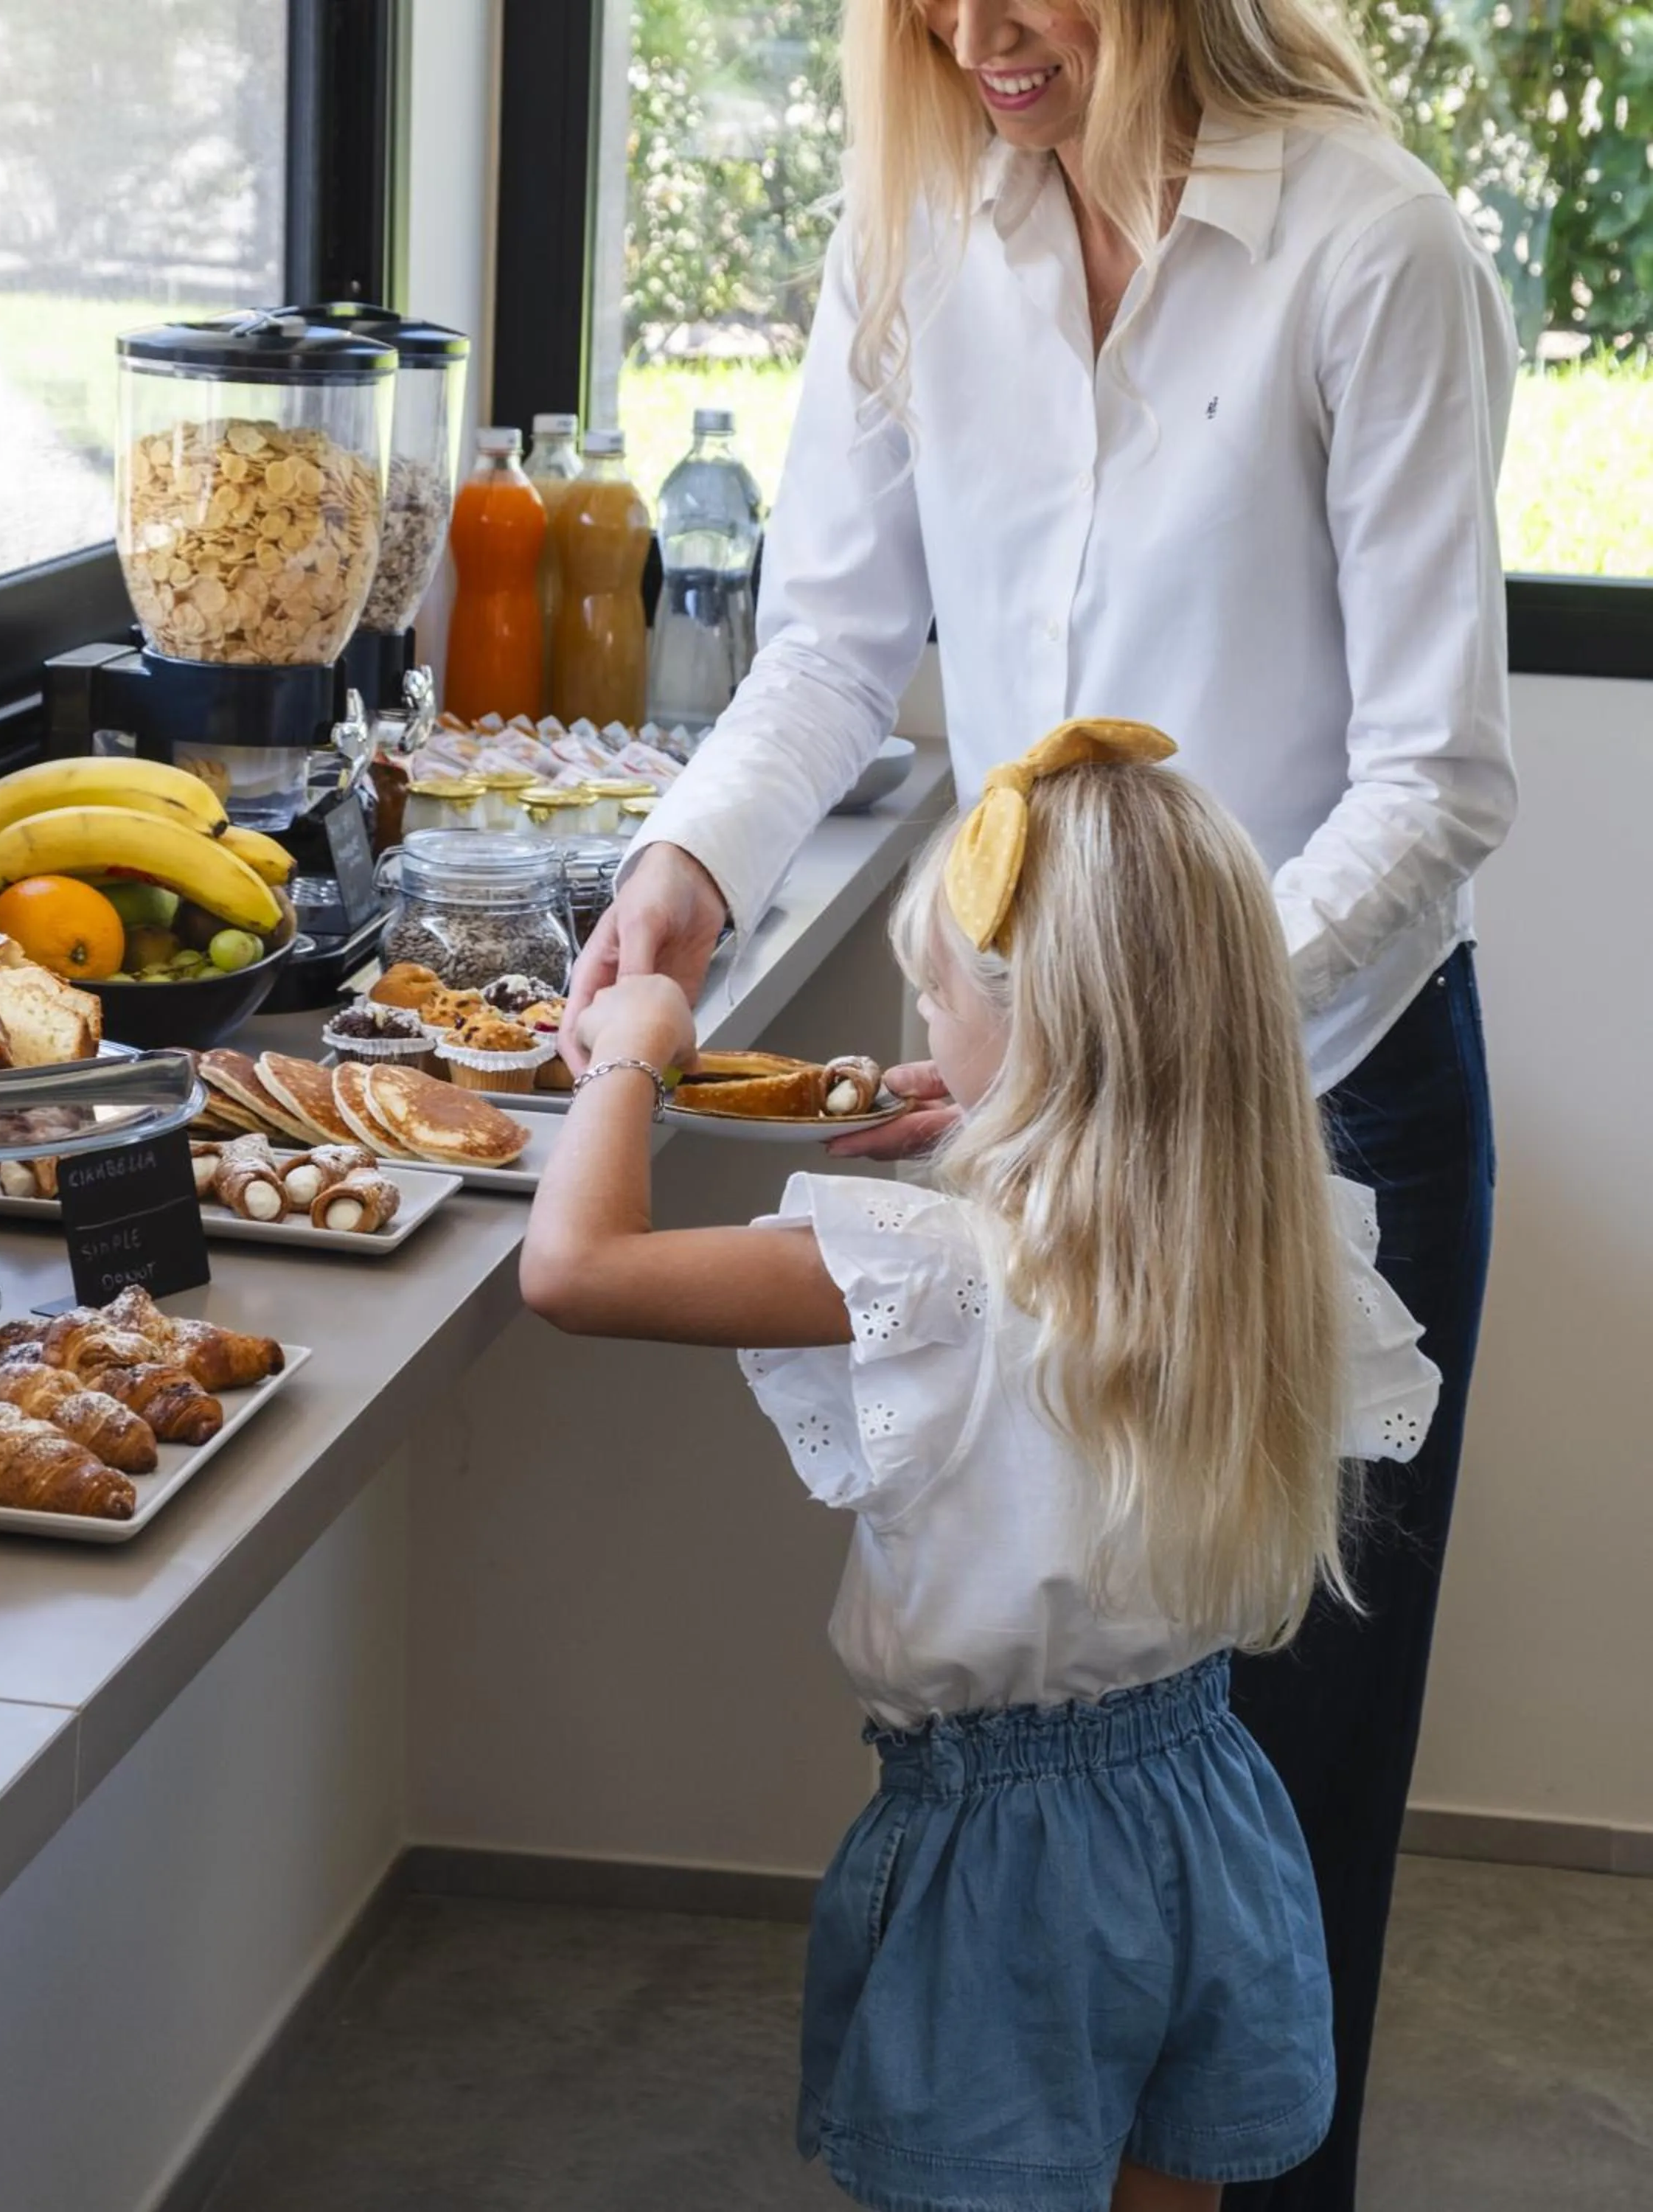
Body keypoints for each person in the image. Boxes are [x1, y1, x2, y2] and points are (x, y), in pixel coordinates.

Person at [563, 7, 1514, 2202]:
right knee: (1053, 1775)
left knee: (1274, 1807)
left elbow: (1436, 780)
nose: (981, 32)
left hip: (1321, 1105)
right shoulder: (911, 235)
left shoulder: (1371, 248)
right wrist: (686, 864)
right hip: (1043, 1091)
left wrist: (1136, 1039)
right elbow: (823, 649)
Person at [527, 723, 1440, 2212]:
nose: (922, 1019)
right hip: (1208, 1811)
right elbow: (1115, 1168)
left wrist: (632, 1045)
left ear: (1031, 1036)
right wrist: (1004, 1127)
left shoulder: (940, 1277)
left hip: (1004, 1873)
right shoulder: (1277, 1243)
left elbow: (575, 1268)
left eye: (936, 994)